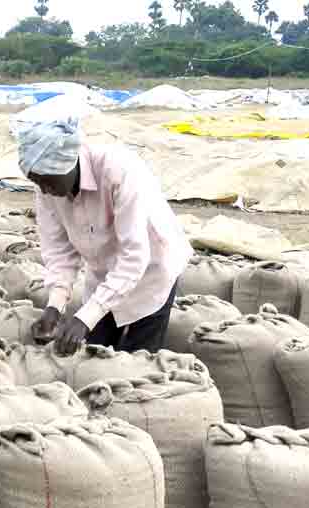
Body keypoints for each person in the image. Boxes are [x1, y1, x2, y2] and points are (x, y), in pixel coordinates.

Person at [19, 116, 193, 357]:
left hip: (151, 271)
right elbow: (59, 252)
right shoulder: (46, 186)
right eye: (37, 182)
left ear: (68, 164)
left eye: (48, 181)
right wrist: (54, 306)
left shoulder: (118, 172)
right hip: (103, 275)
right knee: (89, 354)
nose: (44, 190)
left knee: (135, 362)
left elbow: (134, 258)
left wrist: (85, 318)